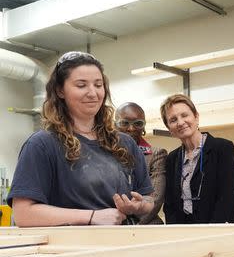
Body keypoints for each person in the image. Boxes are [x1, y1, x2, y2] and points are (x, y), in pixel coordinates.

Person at [8, 51, 154, 226]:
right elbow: (24, 214)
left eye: (98, 85)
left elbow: (148, 199)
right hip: (73, 249)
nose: (93, 93)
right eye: (81, 85)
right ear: (60, 90)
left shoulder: (125, 143)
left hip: (124, 245)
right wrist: (91, 216)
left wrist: (140, 206)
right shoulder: (42, 145)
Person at [160, 94, 234, 224]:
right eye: (173, 120)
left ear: (196, 117)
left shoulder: (222, 148)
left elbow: (226, 198)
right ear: (169, 128)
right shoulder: (172, 158)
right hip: (184, 234)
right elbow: (170, 205)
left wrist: (209, 233)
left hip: (218, 231)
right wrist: (175, 232)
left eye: (184, 115)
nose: (180, 122)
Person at [116, 102, 167, 224]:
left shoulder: (156, 154)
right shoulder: (103, 154)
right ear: (114, 125)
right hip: (109, 223)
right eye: (124, 123)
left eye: (138, 123)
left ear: (143, 127)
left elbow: (155, 199)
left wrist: (129, 226)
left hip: (144, 224)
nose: (131, 128)